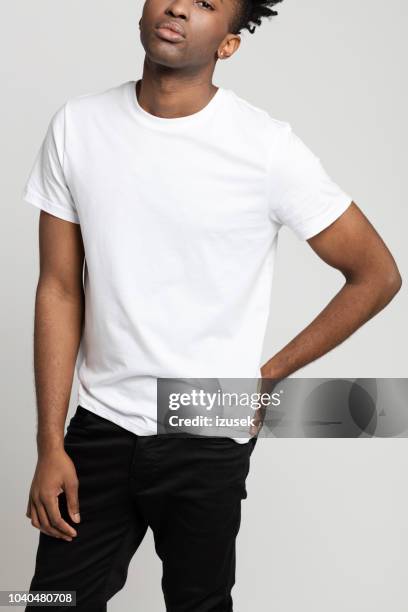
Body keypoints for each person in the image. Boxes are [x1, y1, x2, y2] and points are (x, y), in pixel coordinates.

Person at [22, 0, 402, 610]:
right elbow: (60, 288)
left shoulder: (266, 148)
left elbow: (377, 275)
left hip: (205, 425)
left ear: (228, 44)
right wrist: (49, 444)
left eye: (207, 3)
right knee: (46, 603)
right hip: (98, 425)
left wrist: (265, 379)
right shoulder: (77, 126)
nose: (177, 6)